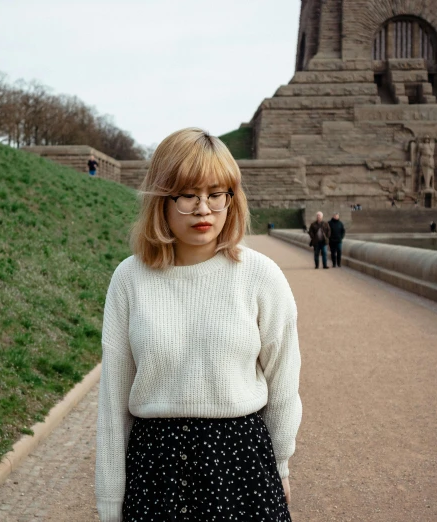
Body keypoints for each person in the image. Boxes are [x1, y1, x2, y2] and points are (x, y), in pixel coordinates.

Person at [96, 128, 300, 522]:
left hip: (242, 467)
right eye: (188, 195)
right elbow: (112, 404)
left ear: (231, 199)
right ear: (162, 200)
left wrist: (281, 465)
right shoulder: (129, 278)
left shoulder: (261, 276)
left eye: (216, 194)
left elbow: (284, 384)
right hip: (154, 470)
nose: (204, 209)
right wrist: (108, 502)